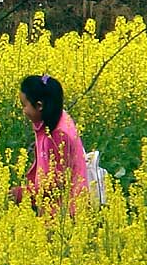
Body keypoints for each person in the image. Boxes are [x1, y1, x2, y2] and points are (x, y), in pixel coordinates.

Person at [9, 74, 88, 216]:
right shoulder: (53, 119)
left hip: (64, 213)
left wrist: (24, 194)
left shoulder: (58, 135)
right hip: (55, 207)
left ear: (39, 106)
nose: (23, 111)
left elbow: (57, 184)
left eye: (24, 105)